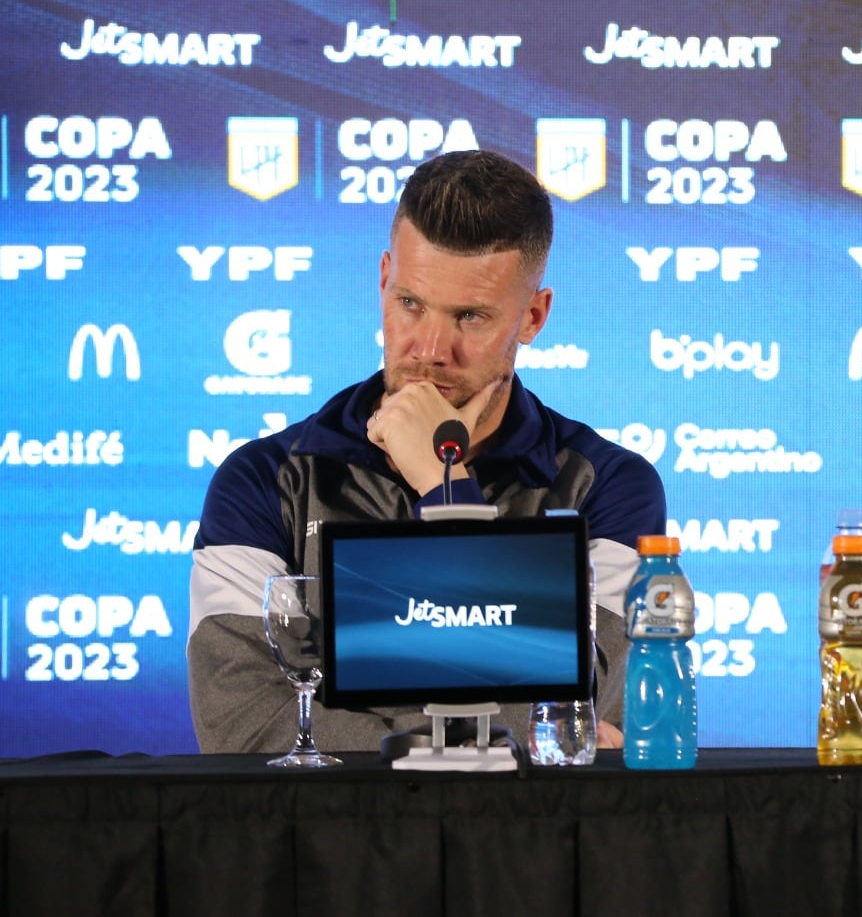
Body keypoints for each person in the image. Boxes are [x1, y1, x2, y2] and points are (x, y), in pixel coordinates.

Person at [187, 150, 666, 753]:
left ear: (533, 317)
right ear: (384, 277)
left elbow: (578, 717)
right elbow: (245, 727)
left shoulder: (608, 487)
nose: (431, 350)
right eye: (410, 304)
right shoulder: (261, 480)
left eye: (470, 316)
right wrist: (466, 736)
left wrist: (445, 488)